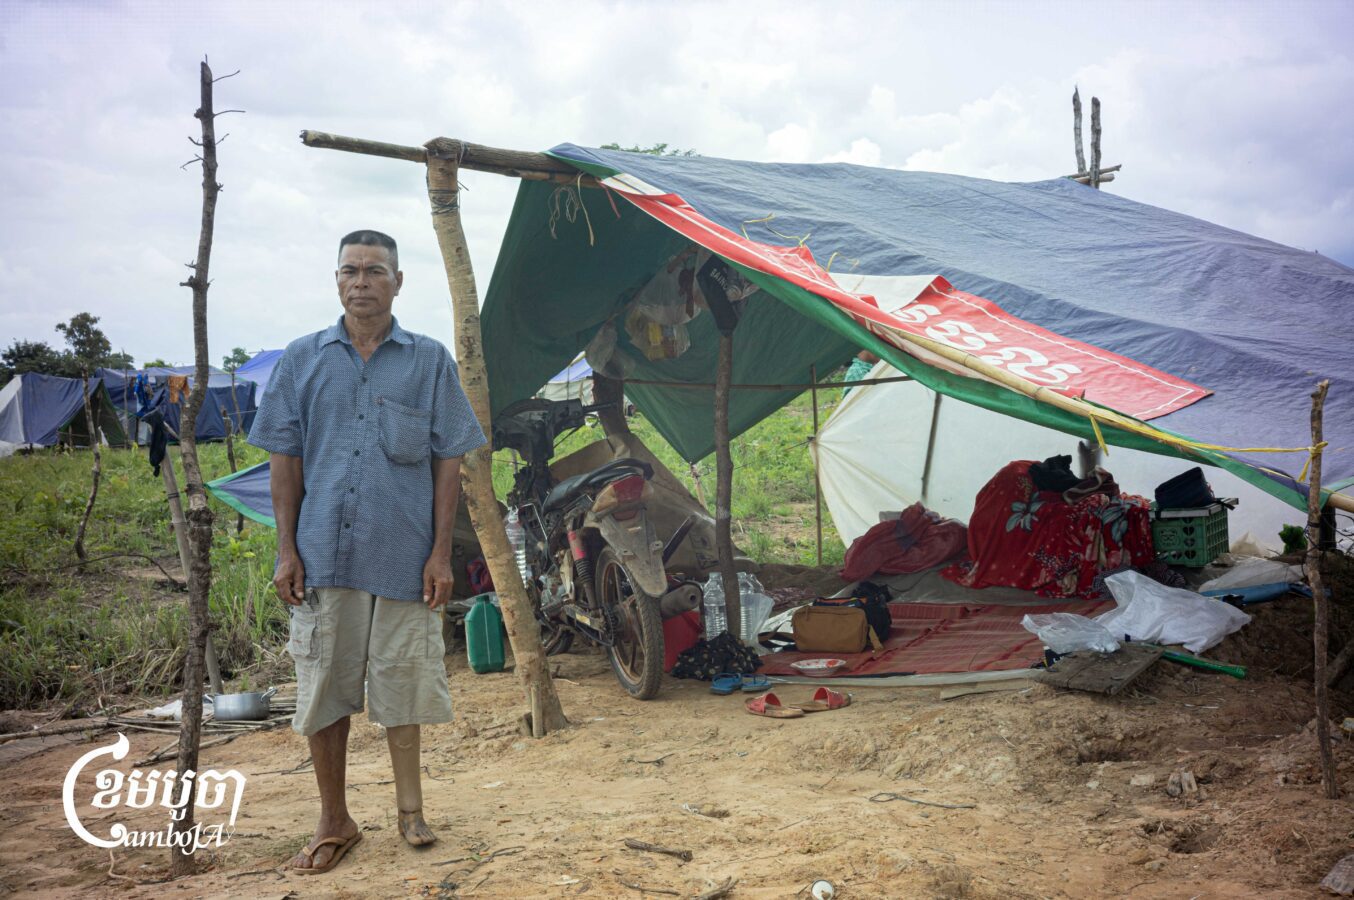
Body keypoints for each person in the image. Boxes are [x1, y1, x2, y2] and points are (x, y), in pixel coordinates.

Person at [248, 229, 486, 874]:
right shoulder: (302, 359)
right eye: (351, 270)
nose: (362, 282)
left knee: (402, 679)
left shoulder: (429, 359)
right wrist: (286, 550)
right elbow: (284, 463)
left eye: (376, 271)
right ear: (336, 280)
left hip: (406, 555)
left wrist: (441, 553)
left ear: (398, 282)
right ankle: (335, 819)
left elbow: (449, 460)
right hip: (323, 552)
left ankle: (411, 808)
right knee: (324, 686)